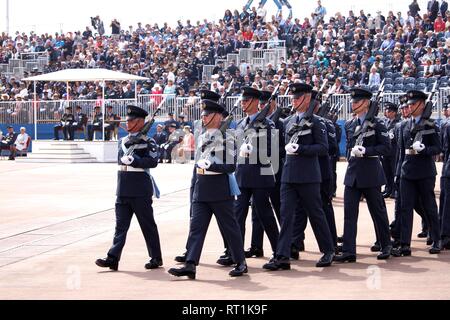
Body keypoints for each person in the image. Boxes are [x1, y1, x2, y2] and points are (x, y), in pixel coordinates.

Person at [168, 100, 247, 279]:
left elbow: (230, 166)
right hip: (201, 187)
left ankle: (241, 262)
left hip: (219, 188)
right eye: (202, 114)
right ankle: (190, 264)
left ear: (218, 116)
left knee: (230, 227)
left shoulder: (228, 138)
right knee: (196, 228)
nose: (203, 117)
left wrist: (211, 166)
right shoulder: (203, 136)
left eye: (207, 114)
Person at [263, 83, 335, 271]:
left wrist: (301, 149)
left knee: (316, 214)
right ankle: (282, 256)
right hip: (288, 175)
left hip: (309, 176)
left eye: (297, 98)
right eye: (293, 98)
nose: (294, 101)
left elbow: (323, 148)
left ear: (307, 99)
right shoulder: (288, 122)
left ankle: (328, 250)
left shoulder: (317, 122)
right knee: (287, 217)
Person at [96, 105, 162, 271]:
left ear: (140, 122)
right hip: (123, 187)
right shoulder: (123, 141)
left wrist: (136, 161)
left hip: (140, 188)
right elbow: (121, 162)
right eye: (127, 120)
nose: (127, 122)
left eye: (131, 120)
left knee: (147, 225)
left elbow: (153, 162)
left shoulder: (148, 141)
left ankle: (156, 257)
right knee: (120, 226)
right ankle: (113, 258)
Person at [334, 88, 393, 263]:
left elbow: (386, 148)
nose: (353, 104)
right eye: (352, 101)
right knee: (349, 214)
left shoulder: (378, 124)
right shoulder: (350, 124)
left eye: (357, 102)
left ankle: (386, 245)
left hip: (370, 173)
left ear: (366, 103)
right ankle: (349, 251)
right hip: (353, 174)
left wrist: (367, 150)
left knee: (378, 212)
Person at [392, 90, 442, 257]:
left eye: (413, 104)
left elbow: (438, 148)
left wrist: (426, 149)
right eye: (409, 104)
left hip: (425, 171)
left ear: (422, 104)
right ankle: (405, 244)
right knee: (405, 208)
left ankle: (436, 239)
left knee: (429, 206)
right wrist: (397, 174)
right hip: (407, 171)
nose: (410, 107)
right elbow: (399, 153)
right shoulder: (403, 126)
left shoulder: (431, 125)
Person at [234, 87, 279, 264]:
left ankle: (279, 252)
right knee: (238, 216)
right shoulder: (240, 124)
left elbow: (272, 151)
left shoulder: (268, 124)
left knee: (265, 214)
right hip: (243, 176)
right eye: (242, 101)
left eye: (246, 101)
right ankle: (235, 253)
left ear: (254, 102)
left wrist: (254, 151)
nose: (243, 104)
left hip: (261, 176)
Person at [245, 88, 284, 258]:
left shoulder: (277, 123)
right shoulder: (247, 123)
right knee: (256, 211)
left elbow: (277, 149)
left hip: (273, 171)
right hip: (251, 173)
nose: (262, 106)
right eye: (260, 103)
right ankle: (255, 245)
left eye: (265, 103)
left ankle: (287, 245)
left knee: (276, 210)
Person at [381, 102, 401, 199]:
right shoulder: (385, 122)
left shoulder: (398, 123)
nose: (386, 112)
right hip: (385, 152)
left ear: (394, 112)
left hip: (394, 151)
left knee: (393, 172)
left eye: (388, 111)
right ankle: (388, 189)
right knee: (386, 172)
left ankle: (394, 190)